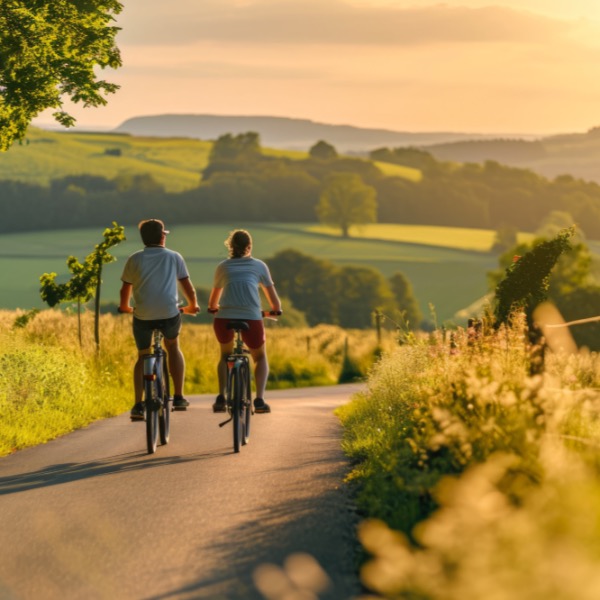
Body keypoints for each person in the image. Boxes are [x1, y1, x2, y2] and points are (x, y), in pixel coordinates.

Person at [119, 219, 200, 420]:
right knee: (172, 346)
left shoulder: (134, 259)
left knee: (142, 355)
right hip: (169, 313)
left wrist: (124, 307)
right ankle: (179, 396)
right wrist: (192, 306)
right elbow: (187, 287)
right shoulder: (174, 257)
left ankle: (138, 404)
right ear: (163, 236)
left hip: (143, 315)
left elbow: (125, 289)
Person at [208, 229, 282, 414]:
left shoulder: (222, 267)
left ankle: (222, 396)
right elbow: (274, 301)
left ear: (230, 247)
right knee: (260, 357)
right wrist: (275, 310)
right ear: (249, 247)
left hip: (224, 317)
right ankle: (259, 399)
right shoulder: (259, 266)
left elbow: (212, 302)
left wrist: (215, 308)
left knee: (225, 357)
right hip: (251, 317)